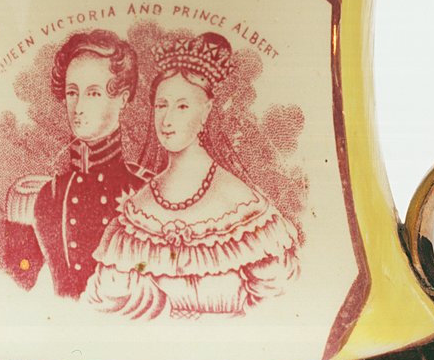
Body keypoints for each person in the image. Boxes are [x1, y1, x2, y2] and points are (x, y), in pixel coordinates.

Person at [84, 31, 299, 318]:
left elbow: (277, 301)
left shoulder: (241, 206)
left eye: (182, 106)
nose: (167, 119)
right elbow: (107, 303)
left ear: (206, 111)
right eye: (161, 105)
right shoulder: (138, 211)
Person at [0, 30, 151, 298]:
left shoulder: (148, 192)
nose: (78, 107)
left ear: (122, 98)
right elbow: (19, 291)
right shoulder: (45, 196)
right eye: (72, 92)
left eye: (93, 93)